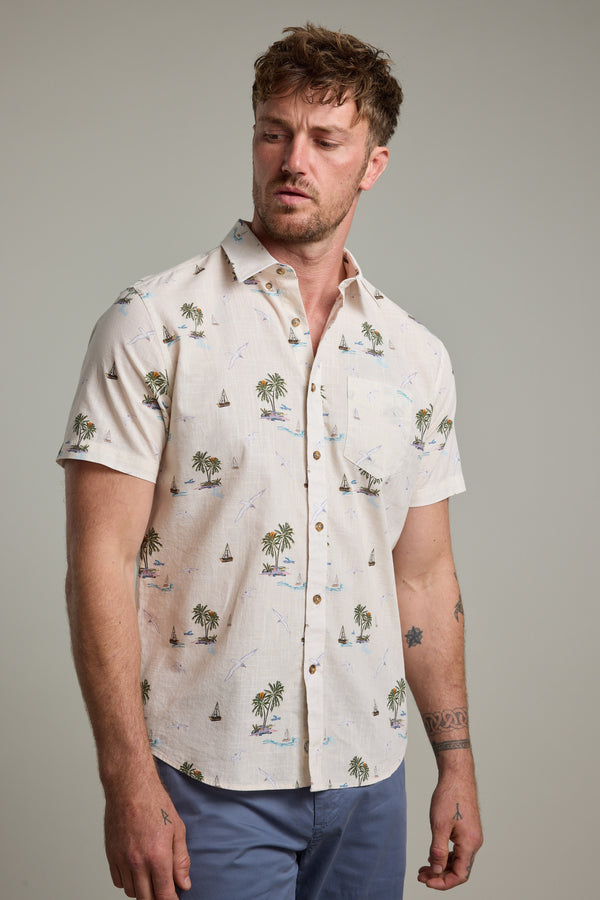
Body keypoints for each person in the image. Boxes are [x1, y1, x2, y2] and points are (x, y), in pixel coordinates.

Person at [58, 23, 482, 900]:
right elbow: (95, 566)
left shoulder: (414, 355)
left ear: (372, 164)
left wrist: (456, 763)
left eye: (326, 140)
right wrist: (126, 783)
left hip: (371, 778)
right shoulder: (153, 324)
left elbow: (425, 577)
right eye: (272, 131)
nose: (294, 159)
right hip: (205, 782)